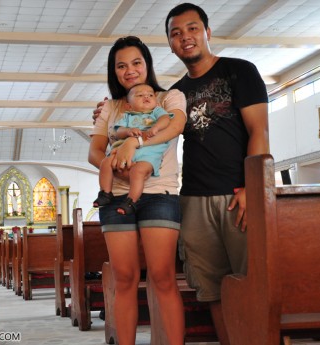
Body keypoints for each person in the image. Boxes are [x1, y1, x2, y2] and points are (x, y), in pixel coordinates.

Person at [166, 3, 270, 344]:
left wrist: (250, 189)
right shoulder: (175, 93)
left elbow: (259, 132)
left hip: (238, 196)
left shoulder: (240, 72)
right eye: (176, 33)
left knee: (252, 283)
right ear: (170, 43)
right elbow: (143, 119)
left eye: (192, 28)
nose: (186, 37)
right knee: (211, 290)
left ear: (207, 32)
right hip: (194, 201)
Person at [88, 36, 186, 345]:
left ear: (147, 64)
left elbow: (174, 128)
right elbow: (95, 151)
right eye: (121, 65)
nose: (129, 70)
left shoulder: (169, 97)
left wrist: (136, 142)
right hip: (116, 195)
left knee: (162, 277)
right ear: (114, 72)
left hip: (160, 194)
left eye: (136, 62)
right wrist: (111, 162)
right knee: (125, 279)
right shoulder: (111, 107)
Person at [93, 83, 174, 215]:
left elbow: (165, 120)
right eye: (140, 95)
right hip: (123, 152)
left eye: (150, 95)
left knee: (137, 172)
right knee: (105, 163)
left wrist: (156, 127)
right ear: (129, 106)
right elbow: (118, 131)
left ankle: (131, 201)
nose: (146, 97)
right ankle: (105, 193)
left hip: (148, 153)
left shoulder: (156, 111)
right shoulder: (127, 116)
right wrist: (128, 131)